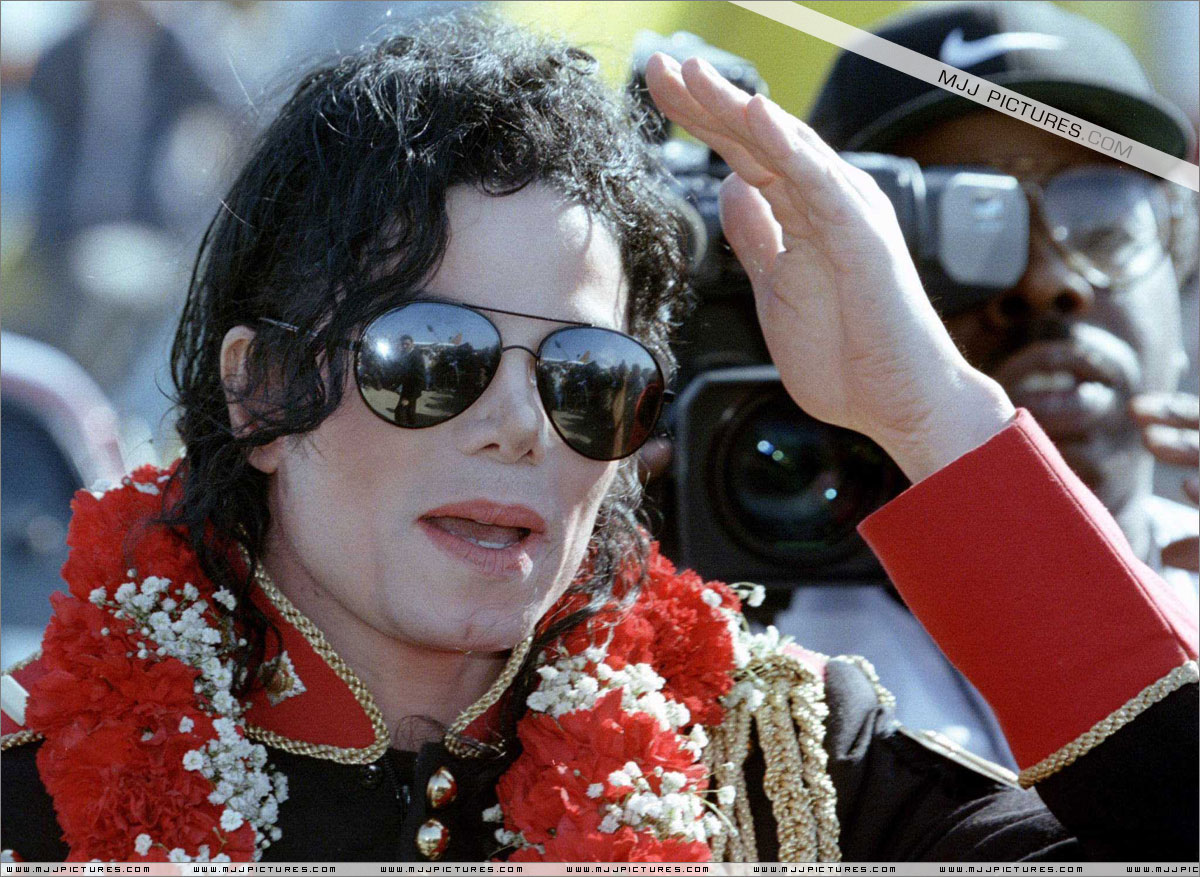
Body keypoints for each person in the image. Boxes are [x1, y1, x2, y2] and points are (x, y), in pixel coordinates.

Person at [1, 12, 1195, 864]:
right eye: (434, 357)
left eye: (589, 378)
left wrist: (927, 406)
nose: (521, 427)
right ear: (261, 392)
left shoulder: (781, 771)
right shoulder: (42, 801)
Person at [770, 0, 1200, 768]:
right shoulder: (756, 656)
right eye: (964, 226)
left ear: (1181, 260)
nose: (1046, 281)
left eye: (1105, 219)